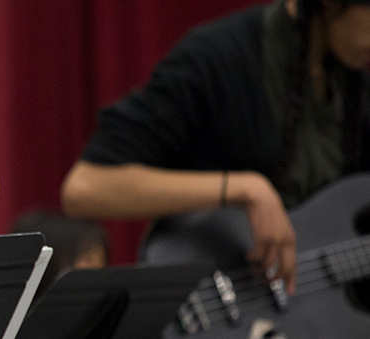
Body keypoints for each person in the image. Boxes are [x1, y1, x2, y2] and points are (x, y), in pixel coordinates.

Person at [61, 0, 370, 295]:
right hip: (218, 306)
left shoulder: (354, 76)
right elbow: (86, 187)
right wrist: (243, 189)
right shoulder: (219, 57)